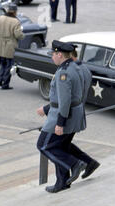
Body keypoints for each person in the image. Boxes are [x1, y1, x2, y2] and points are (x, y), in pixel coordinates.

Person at [36, 40, 87, 193]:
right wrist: (47, 108)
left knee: (43, 145)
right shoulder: (74, 67)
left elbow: (64, 101)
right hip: (74, 113)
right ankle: (62, 182)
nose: (52, 57)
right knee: (60, 147)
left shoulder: (63, 73)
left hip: (62, 115)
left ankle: (75, 164)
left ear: (59, 54)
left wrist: (60, 123)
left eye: (53, 54)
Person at [69, 46, 101, 178]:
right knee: (62, 144)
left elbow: (69, 96)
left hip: (70, 114)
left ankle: (79, 165)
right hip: (76, 112)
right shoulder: (83, 69)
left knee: (56, 145)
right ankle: (89, 163)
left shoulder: (74, 70)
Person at [0, 3, 25, 90]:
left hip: (0, 44)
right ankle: (5, 84)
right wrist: (23, 35)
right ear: (15, 11)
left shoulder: (0, 18)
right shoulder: (15, 21)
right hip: (10, 45)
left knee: (3, 64)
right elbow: (18, 35)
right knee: (9, 65)